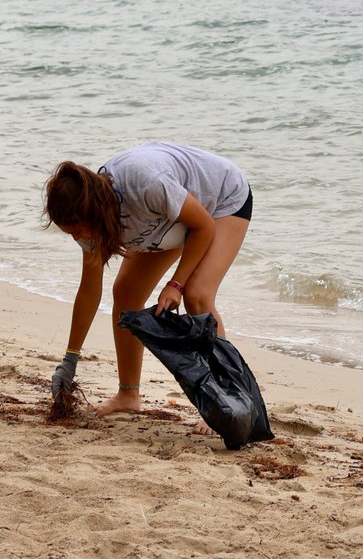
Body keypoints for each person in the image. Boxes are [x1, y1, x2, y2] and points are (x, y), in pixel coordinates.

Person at [44, 141, 254, 419]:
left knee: (197, 294)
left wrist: (176, 284)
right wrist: (71, 358)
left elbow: (202, 226)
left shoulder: (146, 185)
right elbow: (89, 291)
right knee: (126, 291)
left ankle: (226, 401)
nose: (77, 238)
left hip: (221, 201)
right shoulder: (89, 219)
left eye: (78, 230)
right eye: (69, 233)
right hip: (174, 217)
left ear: (92, 213)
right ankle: (128, 394)